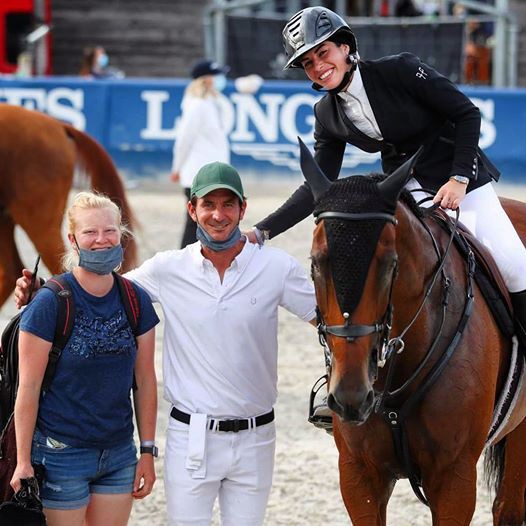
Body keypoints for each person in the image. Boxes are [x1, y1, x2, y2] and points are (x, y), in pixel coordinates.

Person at [15, 164, 317, 526]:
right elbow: (99, 290)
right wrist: (44, 292)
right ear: (192, 210)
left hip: (257, 436)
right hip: (191, 437)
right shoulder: (168, 268)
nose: (218, 215)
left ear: (243, 208)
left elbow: (331, 319)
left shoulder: (277, 267)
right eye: (208, 204)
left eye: (228, 205)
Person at [247, 5, 526, 345]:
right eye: (308, 63)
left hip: (459, 176)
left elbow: (467, 113)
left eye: (323, 53)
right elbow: (315, 185)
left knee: (513, 264)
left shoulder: (400, 70)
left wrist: (459, 179)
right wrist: (262, 232)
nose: (318, 67)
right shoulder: (327, 114)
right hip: (406, 186)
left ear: (345, 47)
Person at [11, 191, 159, 526]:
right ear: (73, 239)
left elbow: (146, 381)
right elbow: (28, 387)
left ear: (121, 234)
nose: (101, 240)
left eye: (109, 231)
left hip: (119, 454)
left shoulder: (136, 300)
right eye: (90, 232)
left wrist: (147, 451)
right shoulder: (50, 303)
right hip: (61, 452)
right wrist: (22, 461)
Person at [170, 59, 231, 248]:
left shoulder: (212, 102)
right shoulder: (196, 105)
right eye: (216, 76)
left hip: (213, 174)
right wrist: (177, 168)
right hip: (198, 174)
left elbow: (227, 121)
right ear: (207, 80)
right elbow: (184, 140)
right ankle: (183, 261)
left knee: (205, 222)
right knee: (195, 223)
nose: (221, 80)